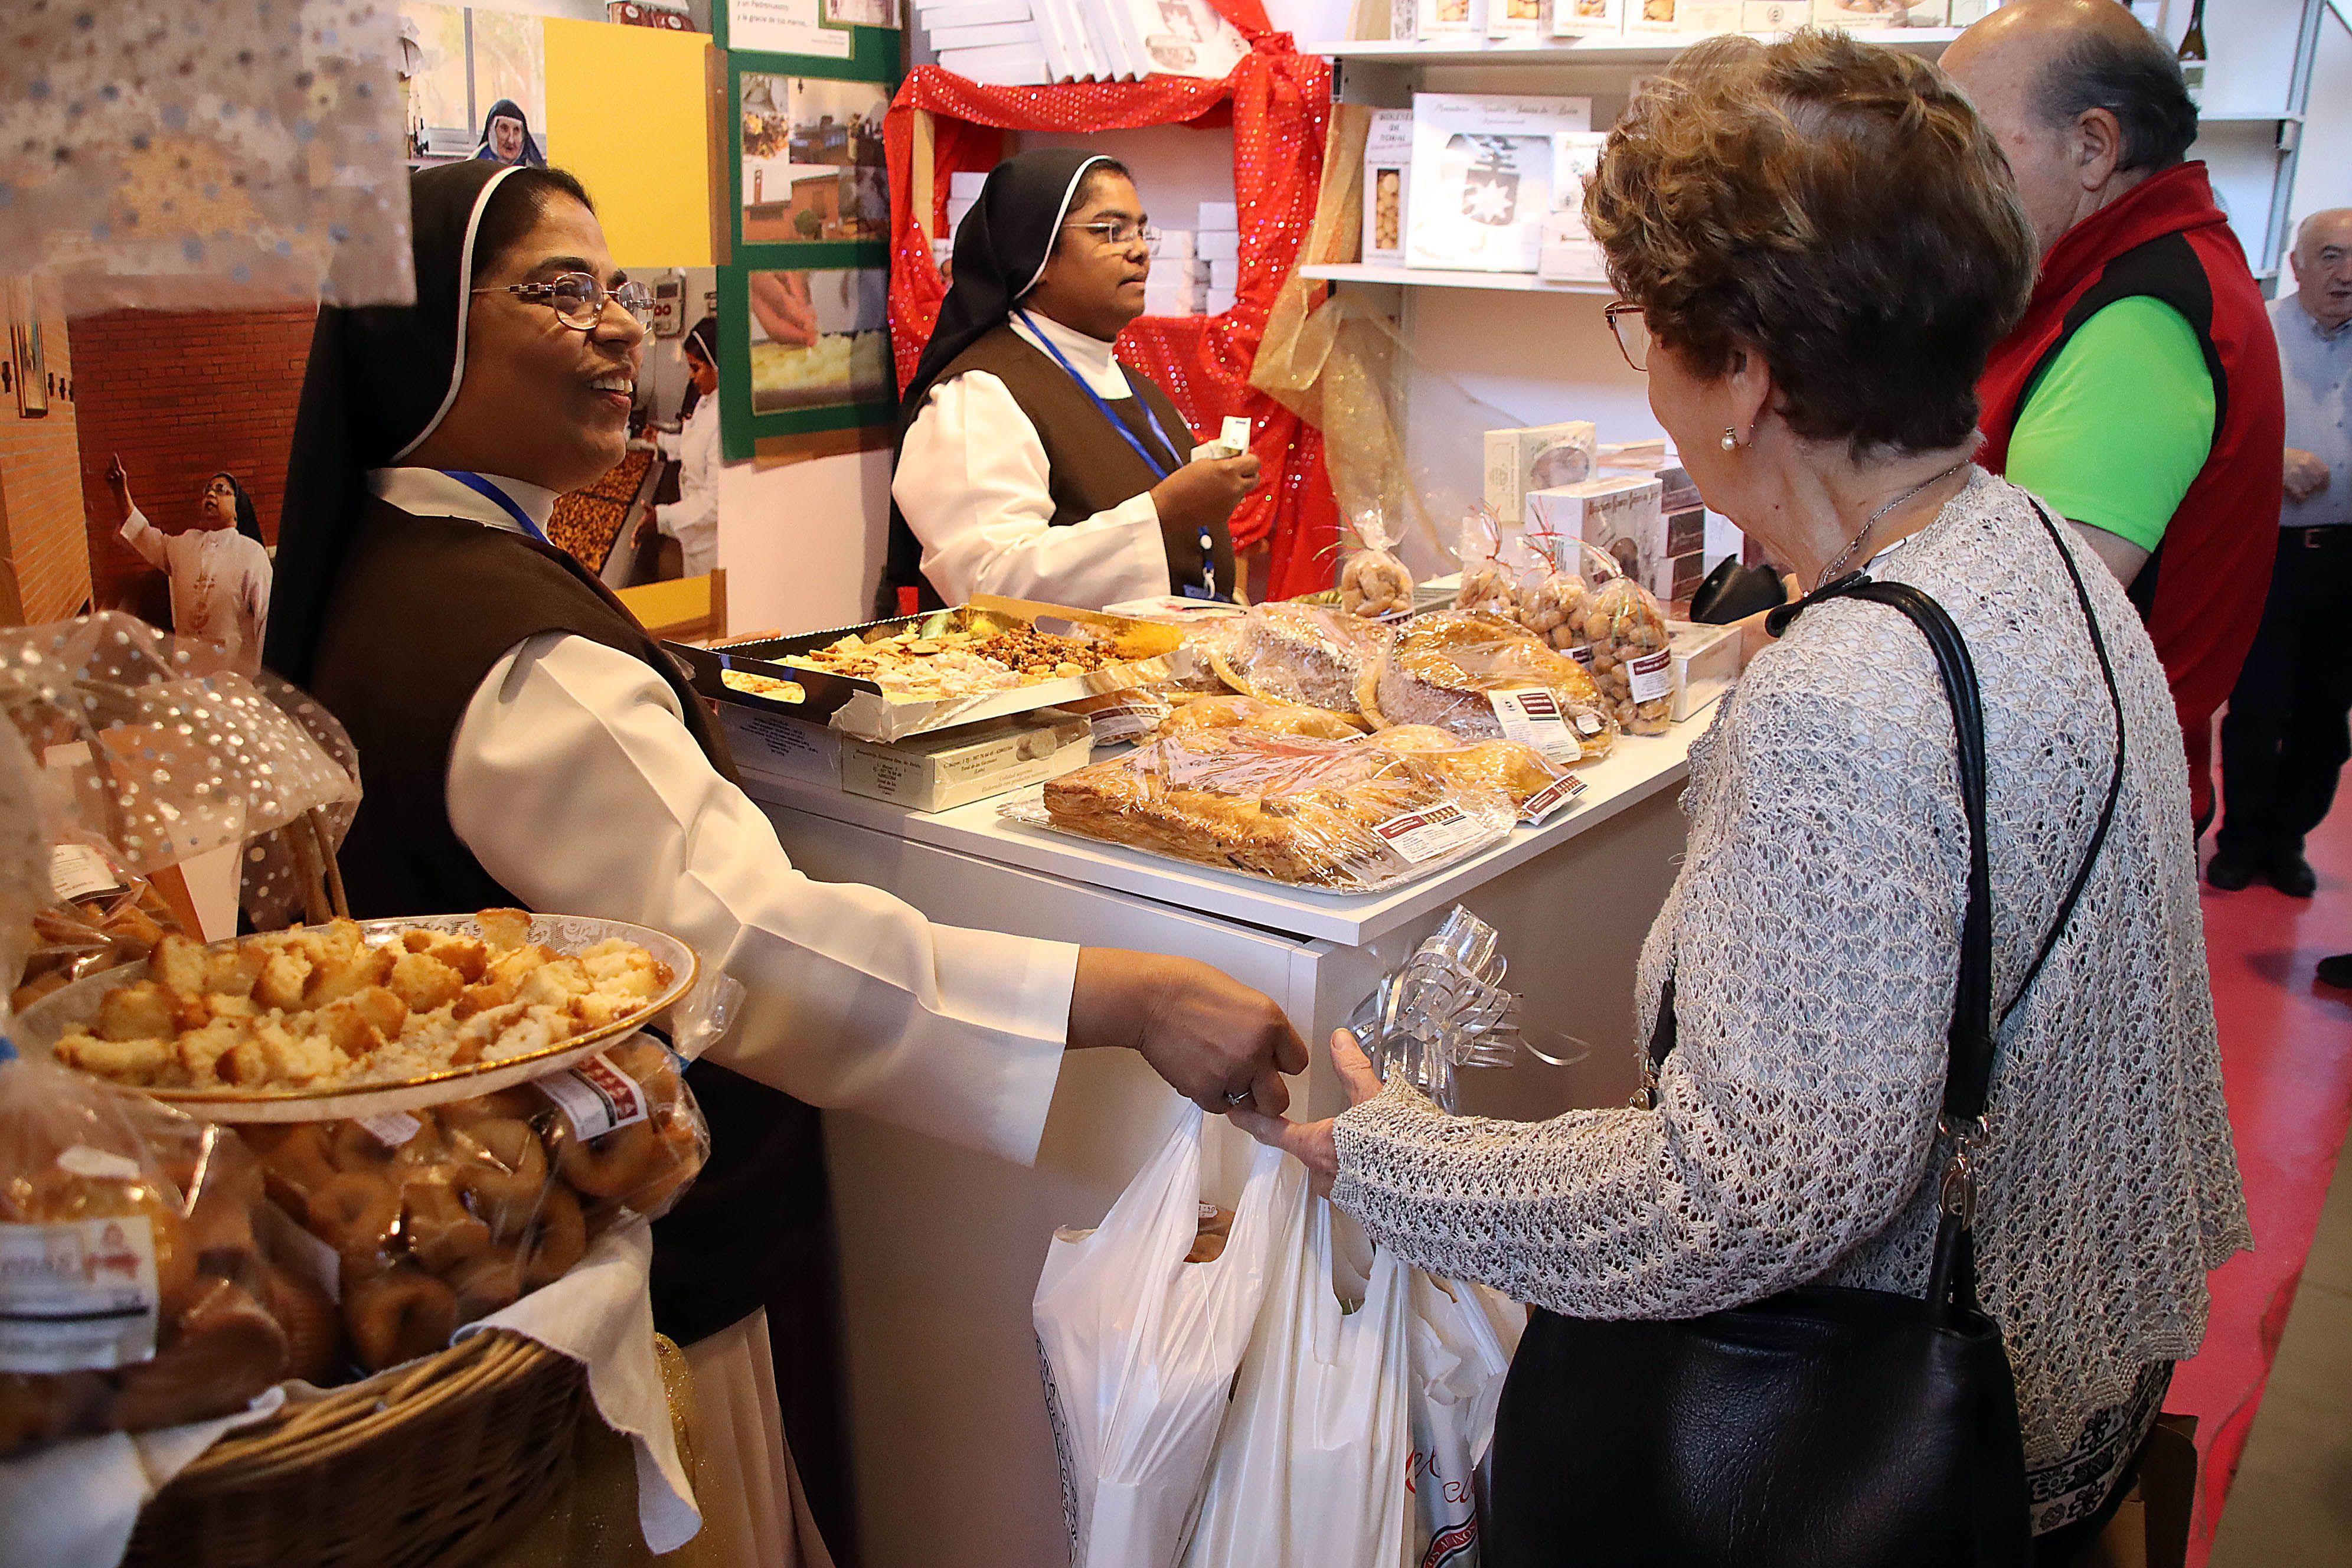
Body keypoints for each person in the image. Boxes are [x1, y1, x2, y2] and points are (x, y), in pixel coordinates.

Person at [1236, 32, 2246, 1560]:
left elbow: (1758, 1193)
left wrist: (1407, 1165)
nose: (1640, 365)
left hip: (1904, 1441)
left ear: (1748, 375)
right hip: (2075, 1375)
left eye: (1642, 319)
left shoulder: (1847, 689)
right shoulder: (2033, 551)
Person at [266, 160, 1306, 1567]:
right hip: (618, 1276)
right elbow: (745, 952)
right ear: (426, 334)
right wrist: (1118, 994)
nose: (620, 328)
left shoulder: (413, 566)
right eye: (557, 291)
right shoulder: (518, 654)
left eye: (617, 290)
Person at [1944, 0, 2285, 834]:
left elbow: (2017, 631)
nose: (1943, 184)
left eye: (1970, 150)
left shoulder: (2140, 321)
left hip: (2072, 813)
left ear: (2093, 147)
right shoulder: (2109, 280)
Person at [884, 151, 1259, 615]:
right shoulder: (978, 394)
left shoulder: (1139, 389)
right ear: (1037, 253)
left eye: (1142, 231)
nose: (1138, 249)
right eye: (1110, 232)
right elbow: (987, 587)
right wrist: (1160, 513)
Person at [2208, 210, 2352, 897]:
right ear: (2297, 266)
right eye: (2330, 256)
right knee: (2258, 705)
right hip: (2270, 552)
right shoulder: (2254, 331)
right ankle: (2239, 840)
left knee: (2327, 713)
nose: (2346, 274)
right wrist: (2273, 463)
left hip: (2348, 559)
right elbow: (2211, 440)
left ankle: (2288, 839)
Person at [106, 459, 273, 675]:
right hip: (188, 675)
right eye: (208, 490)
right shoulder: (185, 544)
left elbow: (265, 619)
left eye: (221, 490)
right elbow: (142, 534)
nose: (211, 494)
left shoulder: (252, 553)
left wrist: (264, 679)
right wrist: (121, 493)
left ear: (237, 509)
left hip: (234, 679)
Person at [631, 315, 721, 578]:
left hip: (713, 546)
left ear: (719, 367)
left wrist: (662, 518)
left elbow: (715, 503)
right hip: (696, 540)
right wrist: (658, 440)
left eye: (697, 369)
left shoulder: (724, 417)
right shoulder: (706, 403)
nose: (692, 378)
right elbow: (693, 446)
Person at [473, 97, 546, 168]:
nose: (511, 141)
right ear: (492, 133)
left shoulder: (534, 172)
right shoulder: (476, 170)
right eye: (504, 129)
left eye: (516, 130)